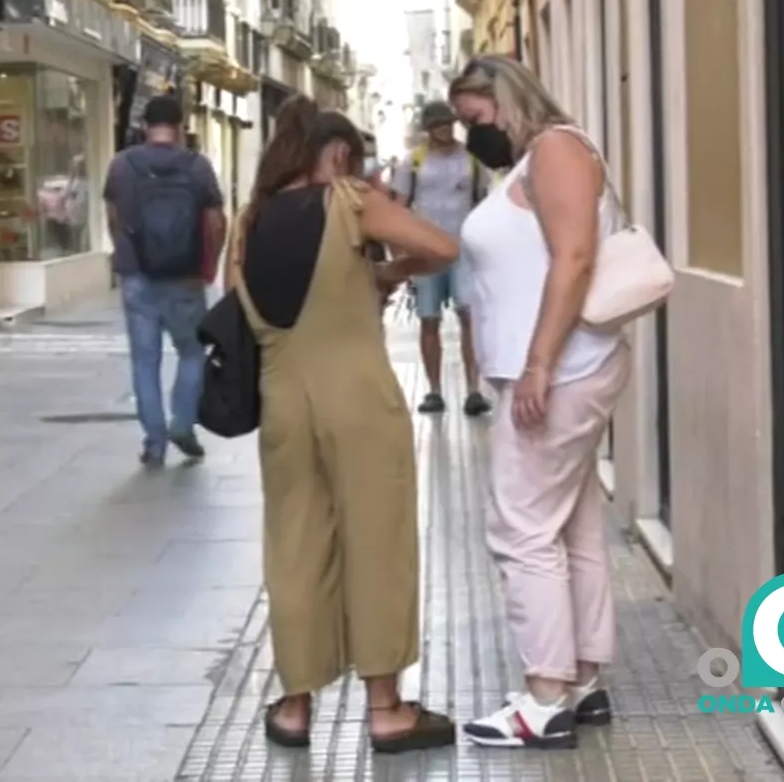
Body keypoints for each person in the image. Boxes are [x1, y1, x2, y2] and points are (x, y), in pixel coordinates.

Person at [224, 97, 461, 754]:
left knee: (295, 549)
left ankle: (295, 706)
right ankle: (386, 709)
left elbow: (239, 301)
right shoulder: (350, 203)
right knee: (377, 543)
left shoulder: (248, 220)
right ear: (337, 156)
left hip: (282, 402)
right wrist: (390, 270)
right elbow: (442, 246)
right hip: (358, 399)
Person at [447, 56, 631, 750]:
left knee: (521, 529)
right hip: (557, 369)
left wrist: (539, 363)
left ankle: (544, 698)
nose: (472, 134)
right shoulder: (534, 160)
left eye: (475, 117)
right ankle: (580, 680)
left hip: (561, 371)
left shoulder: (556, 149)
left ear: (505, 99)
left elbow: (574, 258)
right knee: (569, 523)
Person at [102, 95, 227, 467]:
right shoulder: (198, 166)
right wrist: (209, 265)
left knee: (145, 360)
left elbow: (113, 216)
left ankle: (154, 442)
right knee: (192, 352)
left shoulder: (122, 165)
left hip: (136, 276)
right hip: (185, 277)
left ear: (144, 125)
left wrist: (124, 250)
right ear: (181, 126)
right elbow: (216, 223)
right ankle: (183, 424)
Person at [391, 99, 491, 417]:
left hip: (464, 249)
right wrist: (401, 252)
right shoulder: (413, 162)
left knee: (468, 317)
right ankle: (434, 391)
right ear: (428, 129)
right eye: (437, 125)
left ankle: (474, 390)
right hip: (426, 252)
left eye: (447, 123)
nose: (444, 129)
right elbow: (399, 207)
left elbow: (483, 201)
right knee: (429, 319)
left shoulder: (471, 160)